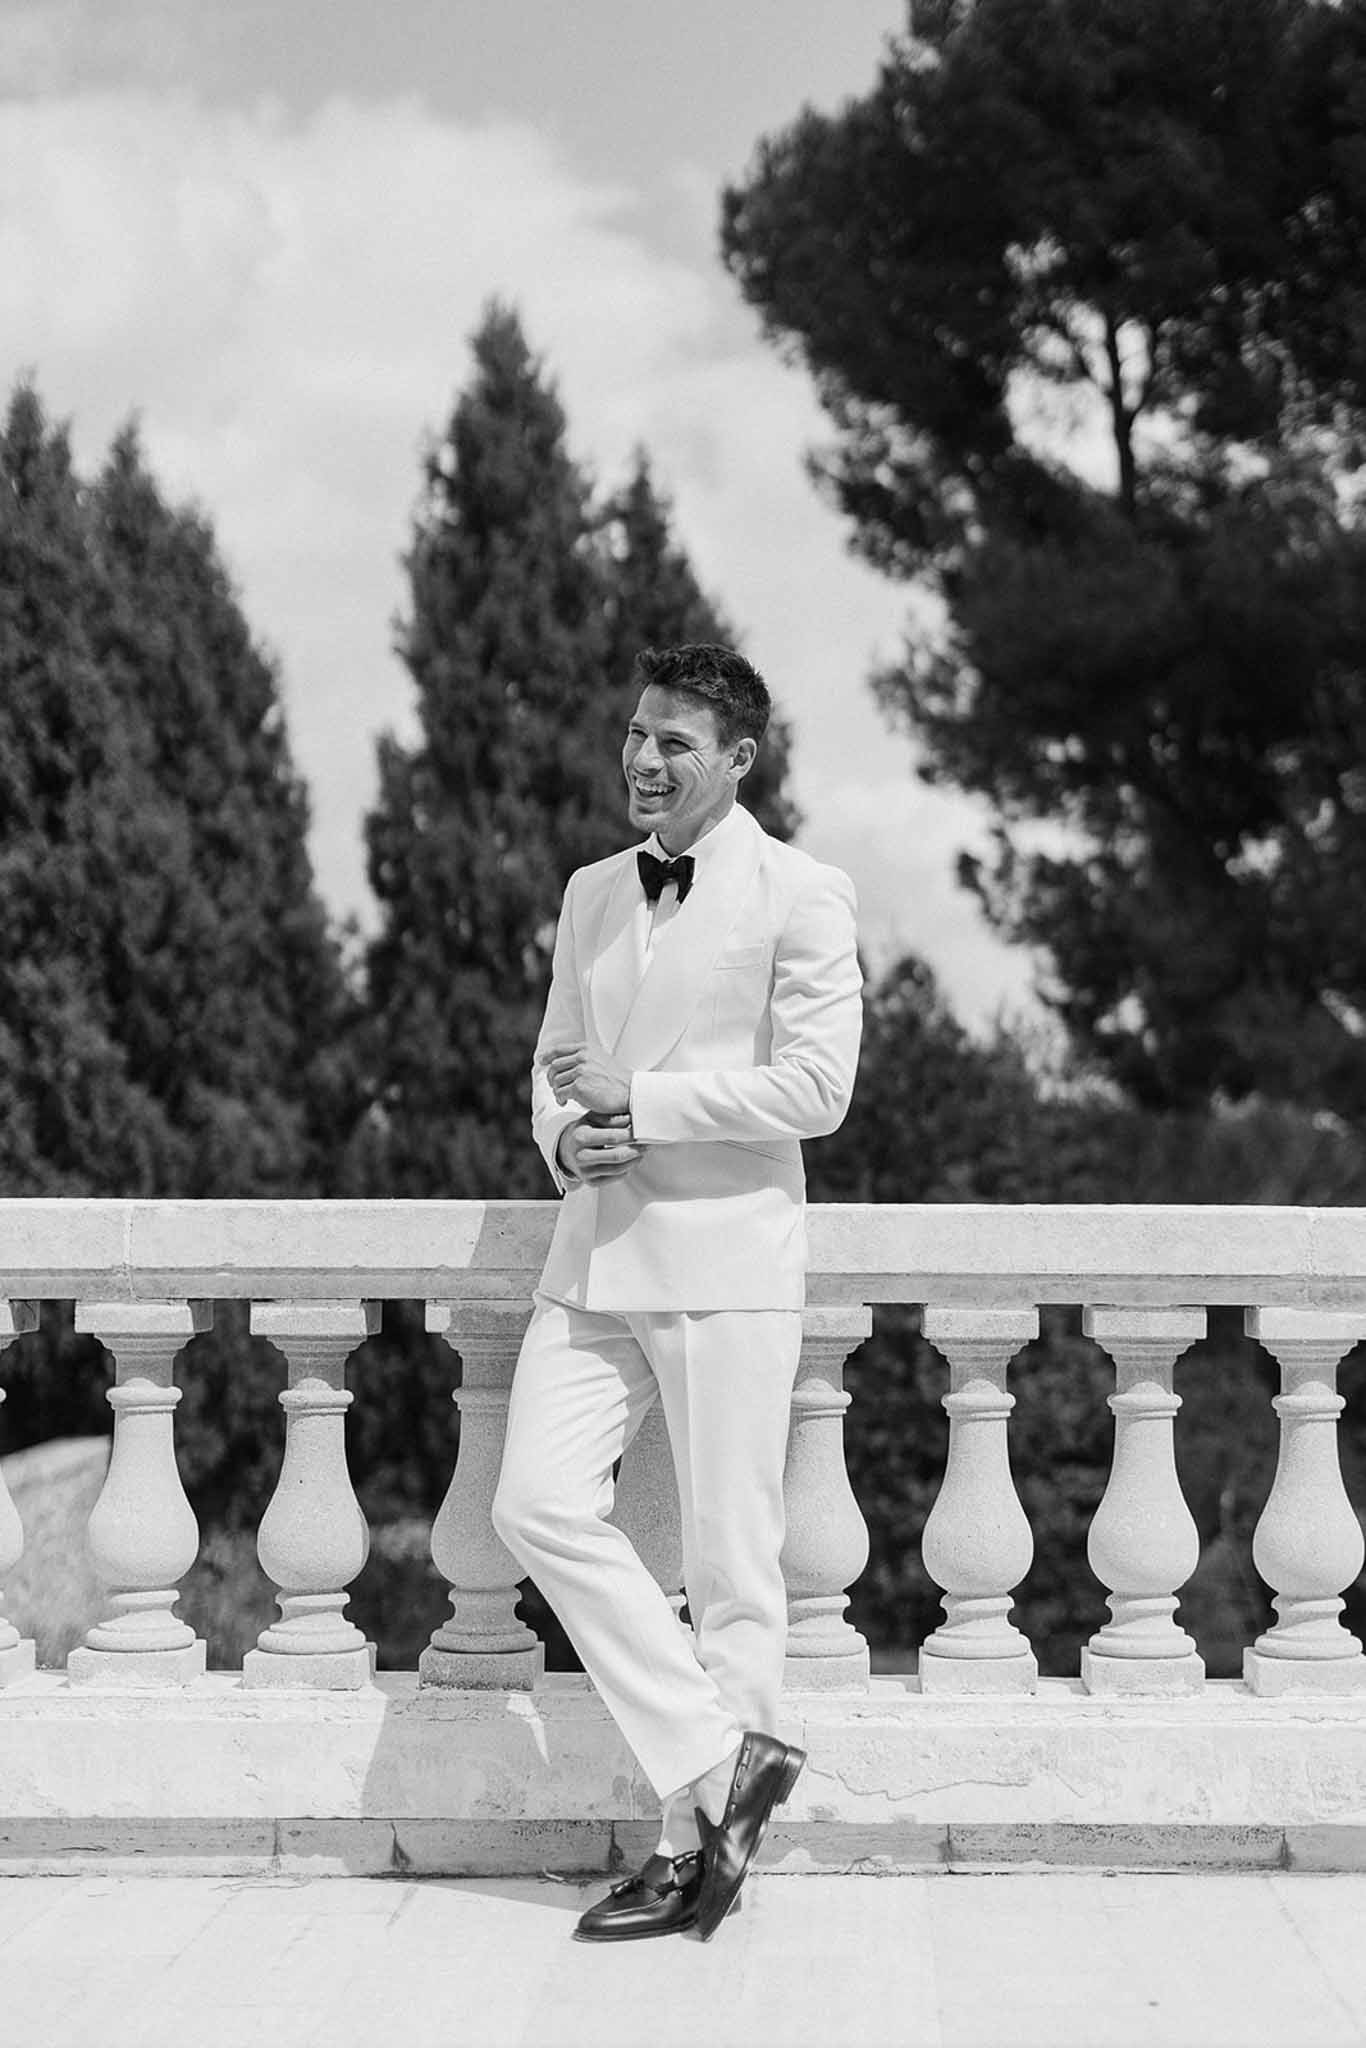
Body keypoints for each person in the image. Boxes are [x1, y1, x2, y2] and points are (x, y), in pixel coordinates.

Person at [491, 642, 862, 1942]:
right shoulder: (592, 891)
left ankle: (690, 1856)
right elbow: (555, 1061)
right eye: (637, 734)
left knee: (726, 1565)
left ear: (738, 760)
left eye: (675, 744)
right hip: (593, 1252)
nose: (643, 760)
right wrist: (564, 1137)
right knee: (534, 1503)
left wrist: (642, 1103)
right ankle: (722, 1768)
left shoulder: (801, 893)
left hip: (725, 1258)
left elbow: (817, 1089)